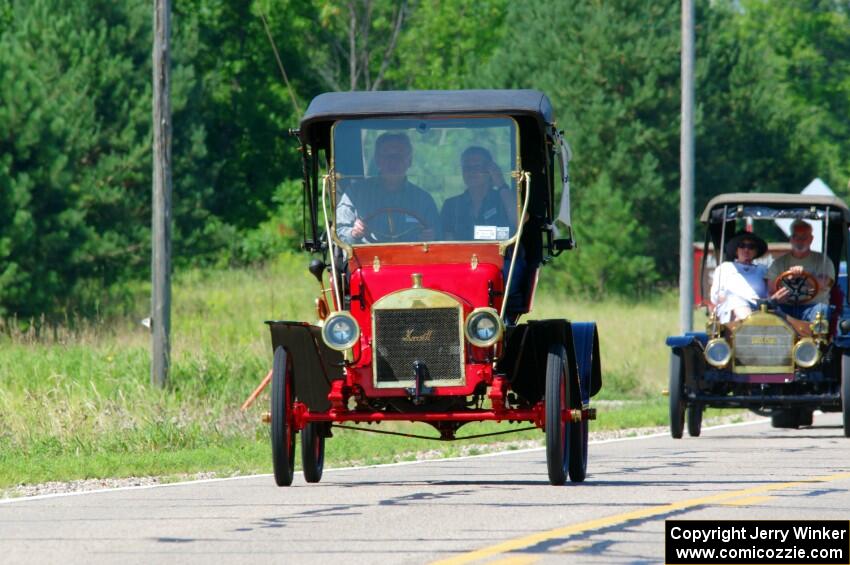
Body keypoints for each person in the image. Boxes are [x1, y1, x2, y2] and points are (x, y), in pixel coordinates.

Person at [336, 132, 440, 244]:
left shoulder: (423, 200)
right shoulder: (354, 193)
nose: (393, 161)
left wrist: (431, 236)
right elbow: (338, 233)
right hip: (366, 259)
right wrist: (354, 233)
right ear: (377, 160)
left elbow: (440, 237)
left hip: (413, 260)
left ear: (409, 161)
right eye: (386, 155)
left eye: (399, 155)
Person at [441, 146, 517, 241]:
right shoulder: (451, 205)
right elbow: (447, 243)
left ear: (490, 170)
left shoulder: (504, 200)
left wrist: (501, 184)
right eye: (467, 168)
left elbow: (519, 221)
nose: (472, 172)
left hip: (502, 255)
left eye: (477, 167)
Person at [767, 219, 835, 322]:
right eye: (796, 237)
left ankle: (818, 337)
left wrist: (803, 275)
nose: (800, 241)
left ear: (811, 239)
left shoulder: (823, 261)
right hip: (785, 308)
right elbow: (771, 289)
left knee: (822, 309)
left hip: (812, 308)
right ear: (791, 239)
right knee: (768, 310)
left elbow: (823, 283)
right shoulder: (779, 263)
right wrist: (786, 282)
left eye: (804, 237)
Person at [710, 232, 769, 323]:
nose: (746, 250)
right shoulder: (725, 267)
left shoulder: (762, 270)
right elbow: (715, 296)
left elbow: (769, 294)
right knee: (734, 298)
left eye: (751, 246)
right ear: (736, 250)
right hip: (730, 312)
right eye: (742, 245)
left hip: (759, 309)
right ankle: (749, 323)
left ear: (756, 251)